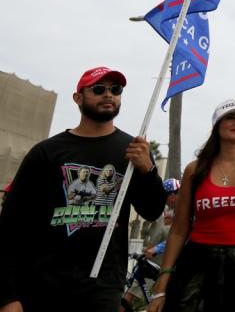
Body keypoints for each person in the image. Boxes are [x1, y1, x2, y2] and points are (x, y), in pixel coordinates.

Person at [0, 66, 166, 312]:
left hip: (102, 287)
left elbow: (152, 211)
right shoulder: (47, 152)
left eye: (115, 89)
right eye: (98, 89)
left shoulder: (133, 151)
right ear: (78, 98)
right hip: (42, 285)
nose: (108, 94)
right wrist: (7, 296)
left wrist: (147, 171)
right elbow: (11, 227)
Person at [148, 100, 235, 312]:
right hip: (198, 268)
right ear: (217, 125)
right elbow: (179, 229)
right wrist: (162, 284)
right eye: (230, 117)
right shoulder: (195, 169)